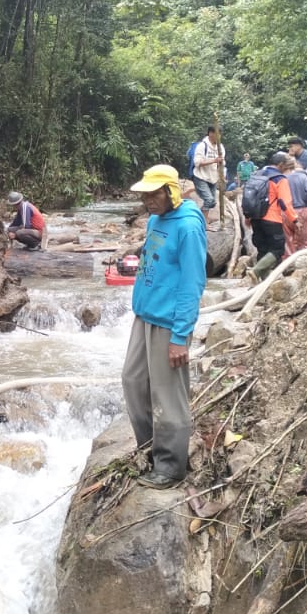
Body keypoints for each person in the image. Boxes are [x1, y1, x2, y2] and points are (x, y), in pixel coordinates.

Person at [122, 165, 207, 489]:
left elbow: (192, 283)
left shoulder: (187, 227)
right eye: (144, 195)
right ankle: (149, 450)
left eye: (153, 194)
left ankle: (171, 466)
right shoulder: (157, 220)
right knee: (133, 382)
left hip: (168, 322)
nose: (147, 200)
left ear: (170, 191)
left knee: (168, 396)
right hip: (144, 316)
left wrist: (180, 336)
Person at [249, 152, 298, 279]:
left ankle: (260, 288)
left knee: (263, 250)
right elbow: (284, 202)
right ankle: (256, 271)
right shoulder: (279, 178)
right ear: (280, 165)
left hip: (255, 218)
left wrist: (247, 216)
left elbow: (249, 198)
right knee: (277, 250)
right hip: (271, 219)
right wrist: (295, 220)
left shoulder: (256, 175)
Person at [189, 126, 226, 226]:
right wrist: (214, 160)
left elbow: (222, 163)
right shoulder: (202, 146)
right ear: (210, 133)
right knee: (209, 200)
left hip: (212, 178)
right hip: (200, 177)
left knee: (212, 202)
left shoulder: (220, 147)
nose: (218, 136)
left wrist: (222, 175)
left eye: (220, 134)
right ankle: (200, 221)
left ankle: (202, 221)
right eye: (216, 133)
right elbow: (197, 162)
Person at [280, 154, 307, 254]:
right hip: (302, 210)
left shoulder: (279, 178)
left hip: (285, 213)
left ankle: (289, 265)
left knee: (288, 242)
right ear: (294, 165)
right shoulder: (302, 177)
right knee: (306, 241)